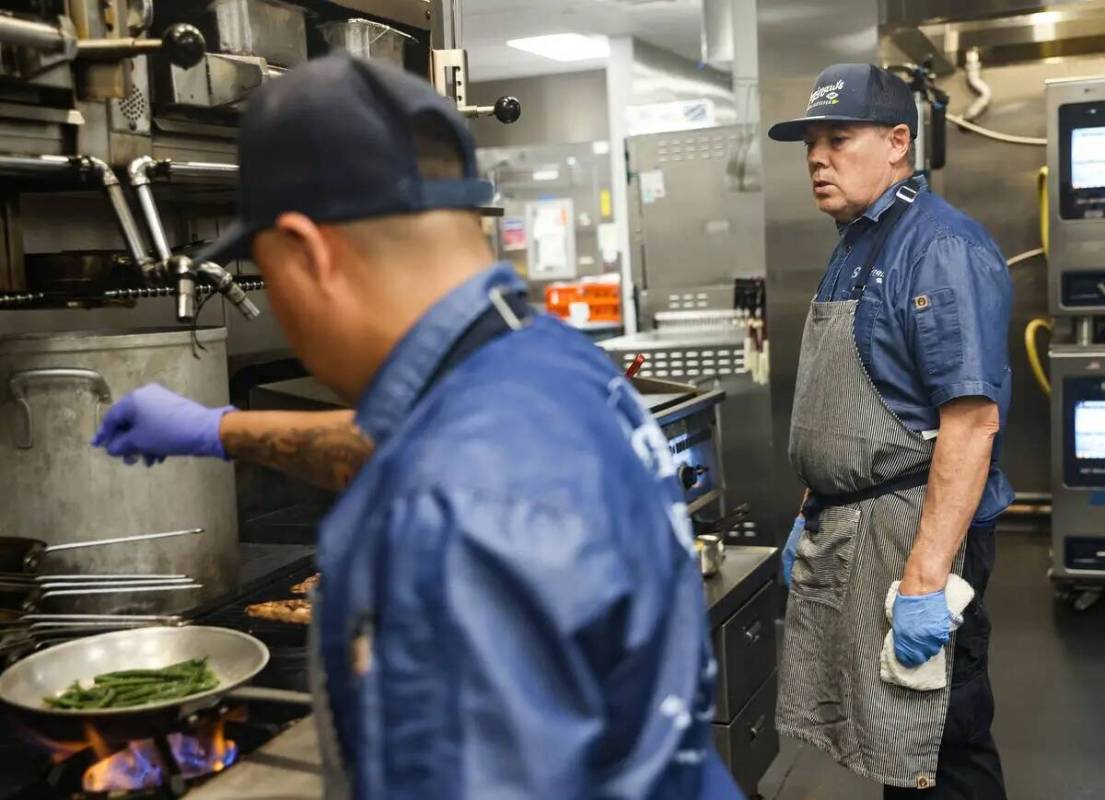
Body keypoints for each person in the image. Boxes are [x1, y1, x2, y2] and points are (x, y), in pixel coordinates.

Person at [93, 53, 741, 800]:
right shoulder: (556, 363)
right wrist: (218, 429)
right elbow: (413, 444)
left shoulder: (446, 515)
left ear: (308, 255)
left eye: (268, 275)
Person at [768, 64, 1011, 799]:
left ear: (897, 142)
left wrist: (925, 581)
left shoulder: (937, 247)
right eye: (809, 144)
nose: (817, 159)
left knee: (938, 736)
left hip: (914, 531)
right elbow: (855, 401)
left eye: (837, 139)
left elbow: (968, 425)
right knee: (892, 735)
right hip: (853, 527)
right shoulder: (857, 243)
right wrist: (811, 507)